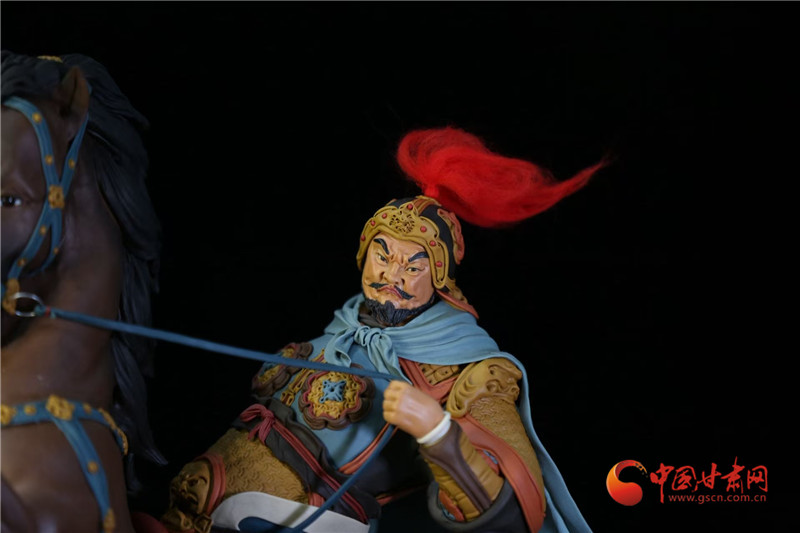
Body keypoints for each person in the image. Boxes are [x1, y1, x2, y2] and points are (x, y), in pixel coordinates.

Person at [155, 127, 604, 533]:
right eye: (383, 255)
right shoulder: (344, 327)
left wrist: (437, 433)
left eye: (414, 265)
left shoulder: (470, 372)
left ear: (440, 279)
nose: (393, 274)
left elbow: (512, 513)